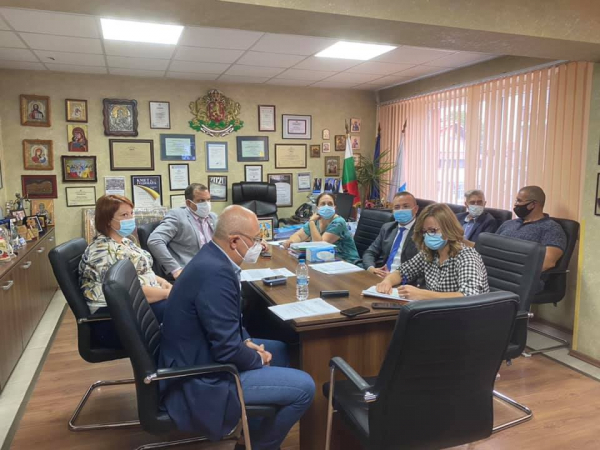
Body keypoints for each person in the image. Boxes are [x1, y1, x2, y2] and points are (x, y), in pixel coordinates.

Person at [159, 205, 315, 450]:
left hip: (198, 354)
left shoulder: (211, 257)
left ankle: (249, 438)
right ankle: (261, 446)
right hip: (200, 376)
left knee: (280, 349)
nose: (260, 245)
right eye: (255, 239)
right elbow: (227, 350)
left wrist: (247, 342)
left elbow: (225, 323)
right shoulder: (216, 274)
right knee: (305, 387)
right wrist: (257, 358)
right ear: (234, 241)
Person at [79, 195, 172, 347]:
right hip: (114, 317)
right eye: (124, 215)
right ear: (108, 220)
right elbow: (128, 292)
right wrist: (167, 293)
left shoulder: (125, 241)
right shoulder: (103, 251)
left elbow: (142, 270)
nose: (130, 219)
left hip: (136, 304)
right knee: (183, 311)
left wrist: (163, 282)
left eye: (131, 213)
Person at [376, 203, 489, 299]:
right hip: (436, 311)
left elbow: (470, 296)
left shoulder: (466, 256)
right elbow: (403, 271)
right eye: (424, 231)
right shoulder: (429, 253)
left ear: (448, 229)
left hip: (464, 315)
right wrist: (387, 282)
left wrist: (422, 294)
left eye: (433, 230)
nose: (427, 235)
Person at [148, 183, 217, 280]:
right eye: (201, 201)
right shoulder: (177, 216)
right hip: (192, 272)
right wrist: (175, 269)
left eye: (208, 200)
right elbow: (155, 240)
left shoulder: (213, 217)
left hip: (214, 268)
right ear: (188, 203)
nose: (206, 204)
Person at [496, 185, 566, 271]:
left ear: (533, 204)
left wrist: (513, 270)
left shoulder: (552, 228)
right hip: (493, 270)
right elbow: (491, 247)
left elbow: (547, 262)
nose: (515, 204)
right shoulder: (508, 224)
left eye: (519, 201)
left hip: (517, 275)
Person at [282, 193, 360, 264]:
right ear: (317, 207)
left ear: (334, 207)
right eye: (323, 204)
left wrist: (311, 222)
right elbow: (299, 236)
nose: (326, 206)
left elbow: (320, 246)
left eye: (330, 204)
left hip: (348, 263)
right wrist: (291, 241)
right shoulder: (316, 220)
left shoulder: (338, 222)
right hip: (327, 262)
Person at [363, 191, 420, 277]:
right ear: (393, 211)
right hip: (382, 275)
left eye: (406, 206)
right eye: (397, 207)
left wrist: (395, 278)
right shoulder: (387, 228)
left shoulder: (423, 231)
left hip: (405, 279)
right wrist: (372, 269)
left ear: (416, 209)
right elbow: (370, 252)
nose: (401, 210)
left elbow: (422, 267)